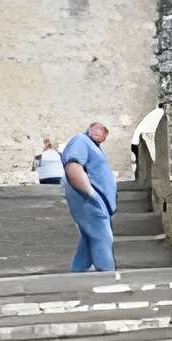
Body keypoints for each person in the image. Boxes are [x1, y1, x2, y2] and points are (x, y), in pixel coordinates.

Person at [59, 117, 118, 274]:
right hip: (89, 200)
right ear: (90, 128)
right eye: (96, 127)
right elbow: (73, 166)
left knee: (88, 239)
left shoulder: (93, 146)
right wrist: (91, 194)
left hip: (96, 201)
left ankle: (78, 270)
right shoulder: (81, 141)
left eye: (103, 130)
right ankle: (107, 273)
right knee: (103, 237)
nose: (99, 132)